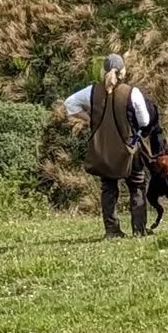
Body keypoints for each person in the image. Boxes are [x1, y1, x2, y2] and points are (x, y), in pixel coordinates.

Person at [63, 53, 158, 239]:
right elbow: (145, 120)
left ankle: (112, 231)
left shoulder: (91, 91)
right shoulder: (132, 92)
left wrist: (91, 119)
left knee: (108, 188)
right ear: (123, 71)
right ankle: (139, 229)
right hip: (129, 149)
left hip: (103, 149)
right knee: (137, 185)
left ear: (103, 70)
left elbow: (69, 104)